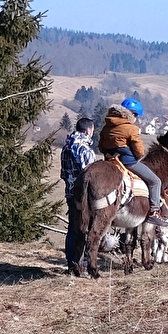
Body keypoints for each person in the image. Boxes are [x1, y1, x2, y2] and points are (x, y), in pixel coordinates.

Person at [98, 97, 163, 204]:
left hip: (109, 161)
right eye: (136, 116)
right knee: (155, 181)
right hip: (128, 163)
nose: (137, 119)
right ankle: (154, 211)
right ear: (132, 115)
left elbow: (101, 147)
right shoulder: (131, 128)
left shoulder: (106, 127)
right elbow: (139, 151)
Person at [60, 116, 97, 270]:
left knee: (72, 228)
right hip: (83, 196)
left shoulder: (66, 147)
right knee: (85, 228)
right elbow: (90, 175)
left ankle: (71, 262)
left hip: (70, 192)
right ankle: (81, 262)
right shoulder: (84, 149)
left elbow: (63, 173)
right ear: (88, 130)